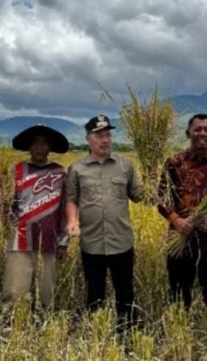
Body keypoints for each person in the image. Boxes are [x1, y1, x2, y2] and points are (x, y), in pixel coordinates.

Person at [157, 113, 207, 349]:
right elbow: (160, 197)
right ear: (188, 133)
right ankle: (179, 341)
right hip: (180, 240)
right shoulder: (173, 163)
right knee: (179, 293)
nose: (202, 134)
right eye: (197, 129)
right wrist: (176, 220)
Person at [65, 114, 142, 328]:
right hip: (91, 242)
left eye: (108, 134)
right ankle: (97, 331)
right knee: (95, 290)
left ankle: (126, 329)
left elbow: (137, 196)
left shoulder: (125, 165)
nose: (105, 139)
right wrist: (72, 221)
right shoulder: (76, 168)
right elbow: (71, 199)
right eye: (99, 135)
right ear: (88, 138)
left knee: (125, 290)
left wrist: (153, 182)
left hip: (121, 241)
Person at [1, 125, 69, 308]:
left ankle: (43, 323)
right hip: (20, 239)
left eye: (44, 143)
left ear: (50, 147)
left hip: (50, 240)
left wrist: (64, 241)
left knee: (46, 290)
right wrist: (6, 231)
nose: (40, 147)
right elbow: (5, 206)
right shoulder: (15, 171)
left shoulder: (61, 173)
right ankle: (11, 323)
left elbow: (66, 209)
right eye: (35, 143)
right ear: (28, 147)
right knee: (14, 289)